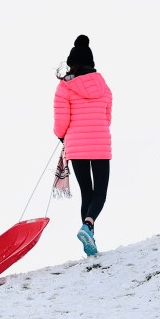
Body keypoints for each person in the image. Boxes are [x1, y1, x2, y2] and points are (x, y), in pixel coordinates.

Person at [53, 34, 113, 257]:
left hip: (77, 147)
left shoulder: (64, 87)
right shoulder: (104, 86)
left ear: (72, 64)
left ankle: (89, 236)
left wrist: (61, 136)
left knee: (86, 192)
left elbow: (62, 122)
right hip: (100, 145)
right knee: (100, 192)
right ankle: (88, 226)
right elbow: (107, 118)